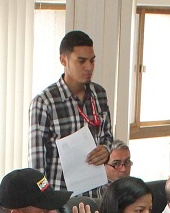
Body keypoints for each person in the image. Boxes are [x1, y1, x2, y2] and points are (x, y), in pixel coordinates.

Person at [28, 30, 113, 194]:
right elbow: (37, 165)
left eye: (92, 61)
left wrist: (106, 150)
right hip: (61, 197)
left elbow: (107, 136)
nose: (89, 67)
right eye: (81, 61)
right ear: (63, 60)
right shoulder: (45, 102)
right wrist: (43, 203)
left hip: (96, 193)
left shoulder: (99, 94)